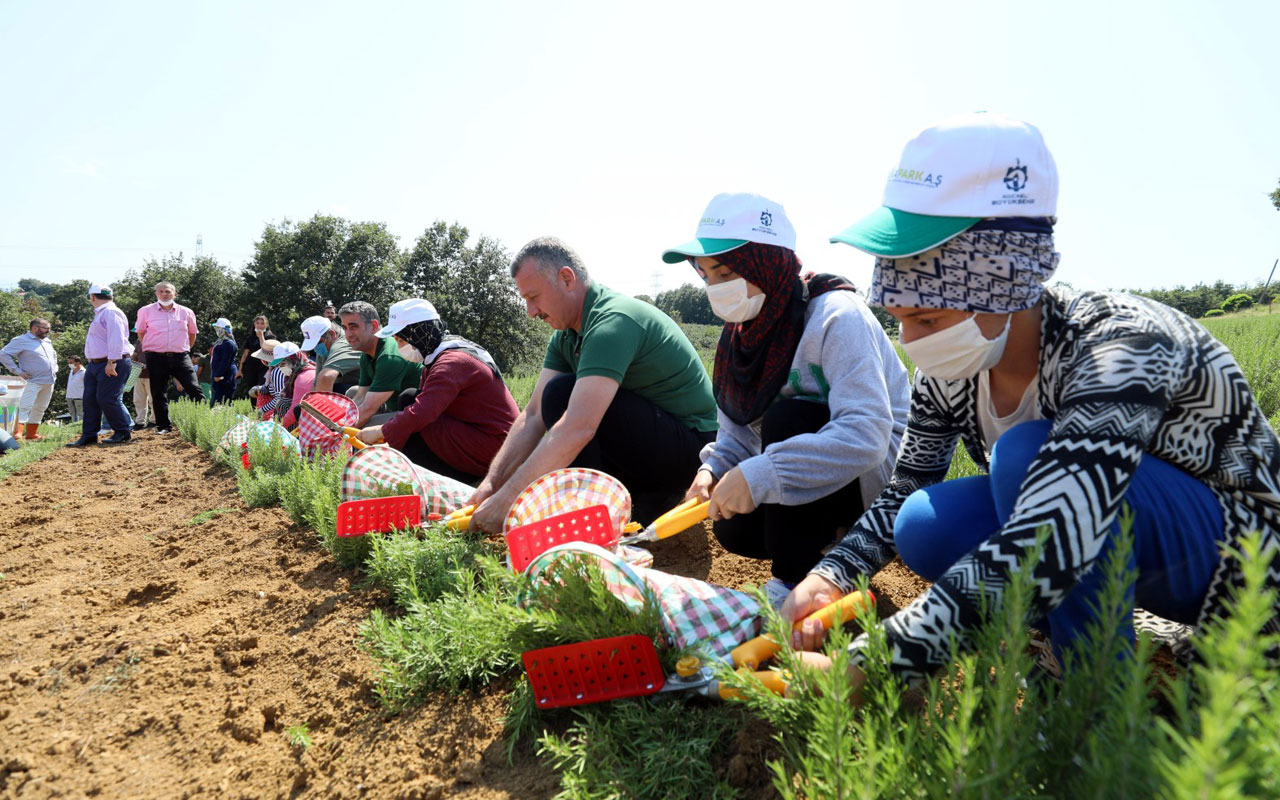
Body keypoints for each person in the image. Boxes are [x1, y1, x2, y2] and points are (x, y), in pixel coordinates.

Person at [782, 112, 1280, 691]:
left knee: (1025, 456)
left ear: (1004, 284)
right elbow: (906, 487)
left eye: (927, 317)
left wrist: (877, 659)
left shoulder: (1124, 344)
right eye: (899, 320)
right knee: (924, 523)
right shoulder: (956, 367)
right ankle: (1062, 633)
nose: (913, 345)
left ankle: (1091, 699)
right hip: (1126, 546)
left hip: (1249, 567)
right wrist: (834, 572)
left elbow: (1057, 523)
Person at [661, 193, 911, 607]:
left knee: (790, 418)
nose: (715, 289)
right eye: (706, 275)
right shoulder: (740, 337)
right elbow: (735, 433)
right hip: (818, 479)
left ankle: (797, 579)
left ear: (765, 261)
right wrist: (713, 470)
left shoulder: (835, 315)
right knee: (732, 526)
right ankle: (823, 549)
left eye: (725, 271)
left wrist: (763, 474)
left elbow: (867, 434)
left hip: (877, 483)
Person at [468, 237, 719, 533]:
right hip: (651, 438)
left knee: (561, 394)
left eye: (533, 297)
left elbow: (578, 427)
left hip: (693, 450)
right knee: (555, 396)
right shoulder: (566, 335)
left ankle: (597, 510)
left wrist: (508, 500)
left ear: (566, 278)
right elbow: (533, 415)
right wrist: (491, 485)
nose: (530, 312)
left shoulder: (612, 321)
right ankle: (632, 499)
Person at [355, 299, 519, 484]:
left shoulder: (453, 362)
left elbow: (423, 412)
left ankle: (442, 479)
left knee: (416, 424)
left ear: (418, 334)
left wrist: (382, 431)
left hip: (494, 447)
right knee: (409, 399)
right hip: (483, 435)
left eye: (401, 340)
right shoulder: (440, 352)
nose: (399, 346)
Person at [67, 284, 133, 446]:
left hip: (111, 362)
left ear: (93, 297)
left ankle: (122, 431)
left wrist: (112, 362)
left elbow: (116, 338)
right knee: (90, 399)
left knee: (107, 399)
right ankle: (89, 434)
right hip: (95, 364)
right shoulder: (103, 313)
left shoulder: (111, 312)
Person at [338, 301, 423, 427]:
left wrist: (336, 433)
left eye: (353, 327)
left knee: (365, 427)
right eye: (345, 328)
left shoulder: (389, 356)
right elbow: (360, 396)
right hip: (392, 405)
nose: (348, 334)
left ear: (373, 326)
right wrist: (339, 421)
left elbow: (368, 409)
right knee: (353, 392)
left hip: (415, 413)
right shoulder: (366, 354)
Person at [135, 281, 202, 434]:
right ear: (156, 294)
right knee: (158, 392)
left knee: (193, 387)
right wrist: (148, 348)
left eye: (168, 291)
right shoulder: (145, 311)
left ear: (175, 294)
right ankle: (164, 426)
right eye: (161, 291)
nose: (164, 294)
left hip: (181, 356)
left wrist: (185, 348)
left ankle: (203, 420)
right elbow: (141, 332)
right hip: (155, 357)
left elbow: (192, 334)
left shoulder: (186, 312)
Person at [0, 318, 58, 440]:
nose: (48, 331)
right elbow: (3, 354)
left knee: (41, 407)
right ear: (35, 328)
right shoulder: (21, 340)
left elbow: (53, 356)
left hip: (49, 381)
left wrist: (55, 368)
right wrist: (18, 371)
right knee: (25, 406)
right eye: (46, 328)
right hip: (32, 381)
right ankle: (17, 433)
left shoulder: (47, 341)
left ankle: (32, 434)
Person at [298, 316, 361, 394]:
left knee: (347, 391)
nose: (315, 348)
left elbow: (326, 377)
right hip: (346, 387)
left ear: (332, 334)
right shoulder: (324, 350)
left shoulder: (344, 344)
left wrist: (319, 405)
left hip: (368, 390)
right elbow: (316, 384)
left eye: (317, 343)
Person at [262, 343, 317, 428]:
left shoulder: (301, 379)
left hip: (312, 421)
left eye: (282, 364)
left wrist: (277, 429)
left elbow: (293, 411)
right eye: (279, 365)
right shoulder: (307, 368)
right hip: (309, 415)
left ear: (293, 359)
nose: (280, 368)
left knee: (283, 404)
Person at [236, 315, 274, 397]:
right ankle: (254, 408)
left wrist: (261, 336)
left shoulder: (270, 337)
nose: (260, 325)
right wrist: (240, 369)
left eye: (262, 323)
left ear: (266, 325)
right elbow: (245, 354)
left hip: (264, 366)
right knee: (252, 388)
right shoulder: (250, 338)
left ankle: (263, 407)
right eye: (257, 323)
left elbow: (264, 347)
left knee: (263, 386)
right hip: (251, 366)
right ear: (254, 324)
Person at [209, 317, 238, 405]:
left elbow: (225, 361)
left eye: (218, 328)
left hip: (225, 377)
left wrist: (218, 375)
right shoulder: (221, 341)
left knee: (222, 402)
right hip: (219, 376)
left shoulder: (229, 343)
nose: (217, 330)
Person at [65, 356, 85, 423]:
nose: (69, 364)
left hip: (79, 397)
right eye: (68, 363)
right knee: (72, 415)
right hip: (69, 396)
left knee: (81, 415)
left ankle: (82, 428)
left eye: (71, 362)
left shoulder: (84, 372)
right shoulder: (71, 371)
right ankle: (74, 429)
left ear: (78, 362)